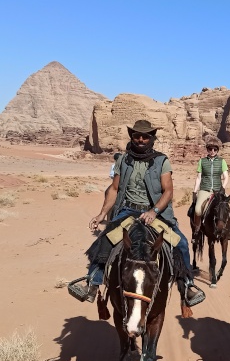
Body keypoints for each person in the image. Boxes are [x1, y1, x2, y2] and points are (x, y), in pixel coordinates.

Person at [70, 119, 205, 307]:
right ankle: (92, 283)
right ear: (132, 137)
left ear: (152, 138)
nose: (141, 139)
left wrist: (154, 210)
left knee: (180, 243)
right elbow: (114, 189)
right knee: (104, 240)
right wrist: (102, 214)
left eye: (145, 136)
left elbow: (168, 191)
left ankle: (187, 287)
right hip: (128, 211)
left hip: (155, 214)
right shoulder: (123, 160)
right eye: (137, 136)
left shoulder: (161, 161)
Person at [191, 138, 230, 243]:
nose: (212, 151)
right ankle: (196, 231)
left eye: (215, 149)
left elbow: (226, 177)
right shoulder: (202, 161)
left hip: (218, 190)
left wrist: (223, 188)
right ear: (207, 149)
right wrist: (194, 191)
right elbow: (198, 178)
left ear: (217, 150)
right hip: (205, 189)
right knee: (198, 210)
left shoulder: (222, 161)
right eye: (210, 149)